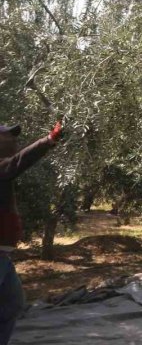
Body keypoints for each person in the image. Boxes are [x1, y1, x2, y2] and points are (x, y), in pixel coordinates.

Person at [0, 120, 65, 344]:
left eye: (13, 136)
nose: (12, 139)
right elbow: (17, 163)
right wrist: (48, 140)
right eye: (6, 136)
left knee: (13, 304)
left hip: (3, 257)